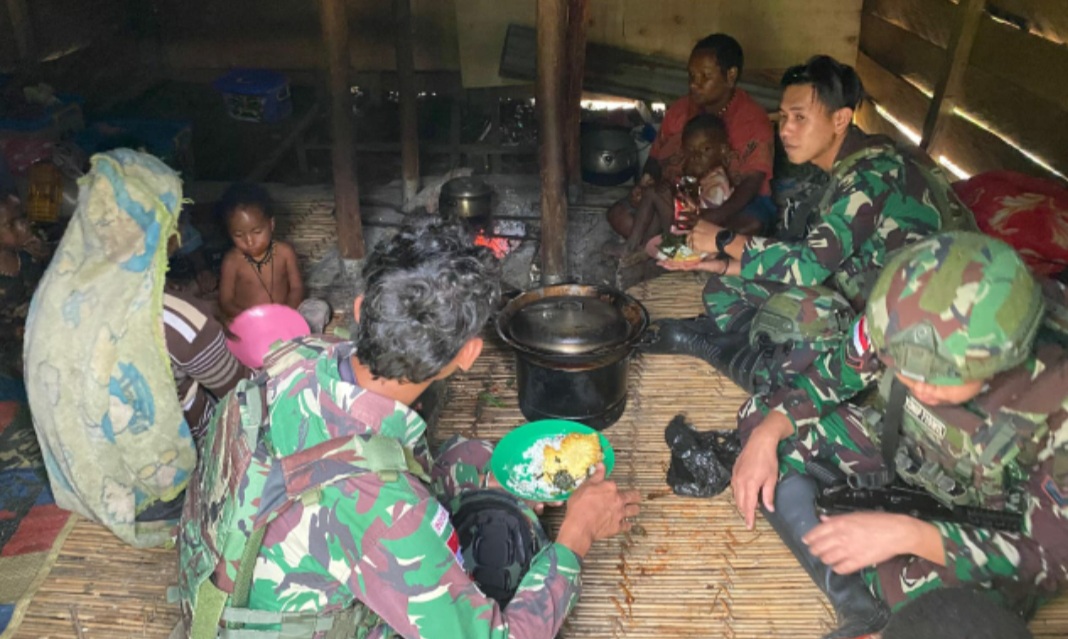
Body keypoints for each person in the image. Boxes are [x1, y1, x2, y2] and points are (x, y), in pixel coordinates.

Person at [174, 217, 642, 639]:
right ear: (469, 355)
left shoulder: (302, 355)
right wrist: (576, 537)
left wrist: (499, 481)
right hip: (267, 621)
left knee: (472, 458)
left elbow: (360, 456)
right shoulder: (390, 513)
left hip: (225, 572)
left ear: (361, 310)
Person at [730, 232, 1068, 639]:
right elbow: (834, 377)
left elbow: (1047, 560)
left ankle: (872, 587)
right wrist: (768, 433)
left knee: (945, 613)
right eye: (902, 368)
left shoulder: (1056, 406)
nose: (917, 385)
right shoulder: (900, 321)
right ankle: (857, 598)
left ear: (1003, 359)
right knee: (761, 423)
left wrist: (911, 535)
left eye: (941, 379)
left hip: (988, 530)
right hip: (913, 457)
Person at [640, 54, 974, 395]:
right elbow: (811, 256)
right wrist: (721, 264)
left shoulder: (872, 174)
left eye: (800, 117)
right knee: (722, 288)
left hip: (915, 331)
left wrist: (723, 239)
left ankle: (732, 356)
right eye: (784, 116)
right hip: (863, 290)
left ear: (840, 119)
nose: (785, 129)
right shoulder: (847, 167)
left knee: (810, 314)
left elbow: (809, 267)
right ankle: (753, 347)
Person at [25, 149, 202, 546]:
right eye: (172, 217)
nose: (177, 230)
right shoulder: (133, 316)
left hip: (76, 475)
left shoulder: (57, 286)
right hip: (134, 493)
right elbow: (150, 436)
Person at [606, 33, 775, 249]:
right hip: (681, 199)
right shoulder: (679, 110)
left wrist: (714, 216)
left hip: (735, 204)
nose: (695, 84)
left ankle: (670, 245)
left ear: (730, 75)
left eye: (705, 76)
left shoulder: (753, 119)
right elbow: (655, 159)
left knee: (746, 227)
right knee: (619, 216)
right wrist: (646, 181)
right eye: (692, 75)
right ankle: (681, 246)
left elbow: (752, 183)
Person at [217, 182, 330, 333]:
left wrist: (286, 314)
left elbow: (297, 288)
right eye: (238, 235)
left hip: (286, 318)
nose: (249, 241)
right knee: (220, 323)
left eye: (257, 232)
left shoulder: (285, 252)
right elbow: (226, 301)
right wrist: (250, 319)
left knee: (318, 307)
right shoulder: (232, 261)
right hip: (249, 324)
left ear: (271, 224)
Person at [619, 114, 734, 257]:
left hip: (699, 247)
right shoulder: (706, 176)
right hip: (693, 240)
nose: (696, 157)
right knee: (656, 192)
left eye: (706, 149)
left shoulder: (717, 184)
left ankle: (634, 246)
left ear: (722, 150)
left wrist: (674, 196)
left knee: (655, 194)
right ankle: (641, 246)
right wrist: (672, 191)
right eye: (691, 151)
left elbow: (700, 218)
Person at [0, 194, 49, 375]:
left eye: (23, 218)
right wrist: (14, 331)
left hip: (38, 330)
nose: (24, 226)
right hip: (8, 344)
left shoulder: (29, 256)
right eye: (11, 224)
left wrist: (47, 257)